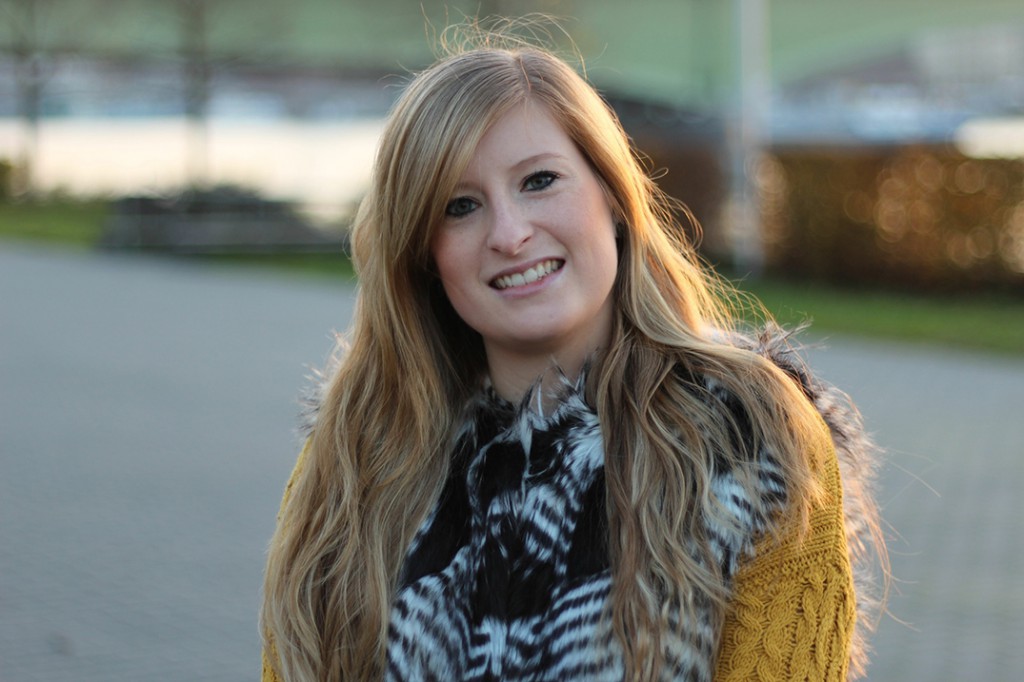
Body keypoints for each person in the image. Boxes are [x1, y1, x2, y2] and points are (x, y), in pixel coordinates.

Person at [261, 26, 886, 682]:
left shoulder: (749, 438)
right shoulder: (359, 451)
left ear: (611, 195)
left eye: (539, 181)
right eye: (460, 206)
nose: (509, 234)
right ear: (423, 252)